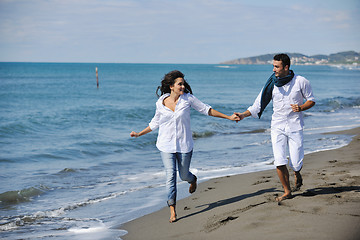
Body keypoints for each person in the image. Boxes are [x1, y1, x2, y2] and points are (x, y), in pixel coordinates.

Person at [130, 70, 240, 222]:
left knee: (183, 175)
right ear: (171, 86)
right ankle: (173, 210)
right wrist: (139, 134)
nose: (182, 86)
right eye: (179, 84)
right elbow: (155, 123)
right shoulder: (161, 102)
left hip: (184, 145)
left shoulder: (188, 99)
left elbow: (206, 109)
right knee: (170, 176)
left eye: (183, 84)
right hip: (165, 145)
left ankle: (193, 179)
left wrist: (228, 117)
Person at [235, 54, 315, 202]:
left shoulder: (301, 81)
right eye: (273, 66)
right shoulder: (272, 82)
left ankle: (297, 172)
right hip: (277, 126)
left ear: (286, 67)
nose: (274, 69)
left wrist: (301, 107)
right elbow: (257, 105)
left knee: (296, 162)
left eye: (277, 66)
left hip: (295, 126)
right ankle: (287, 191)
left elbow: (311, 100)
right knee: (279, 160)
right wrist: (243, 115)